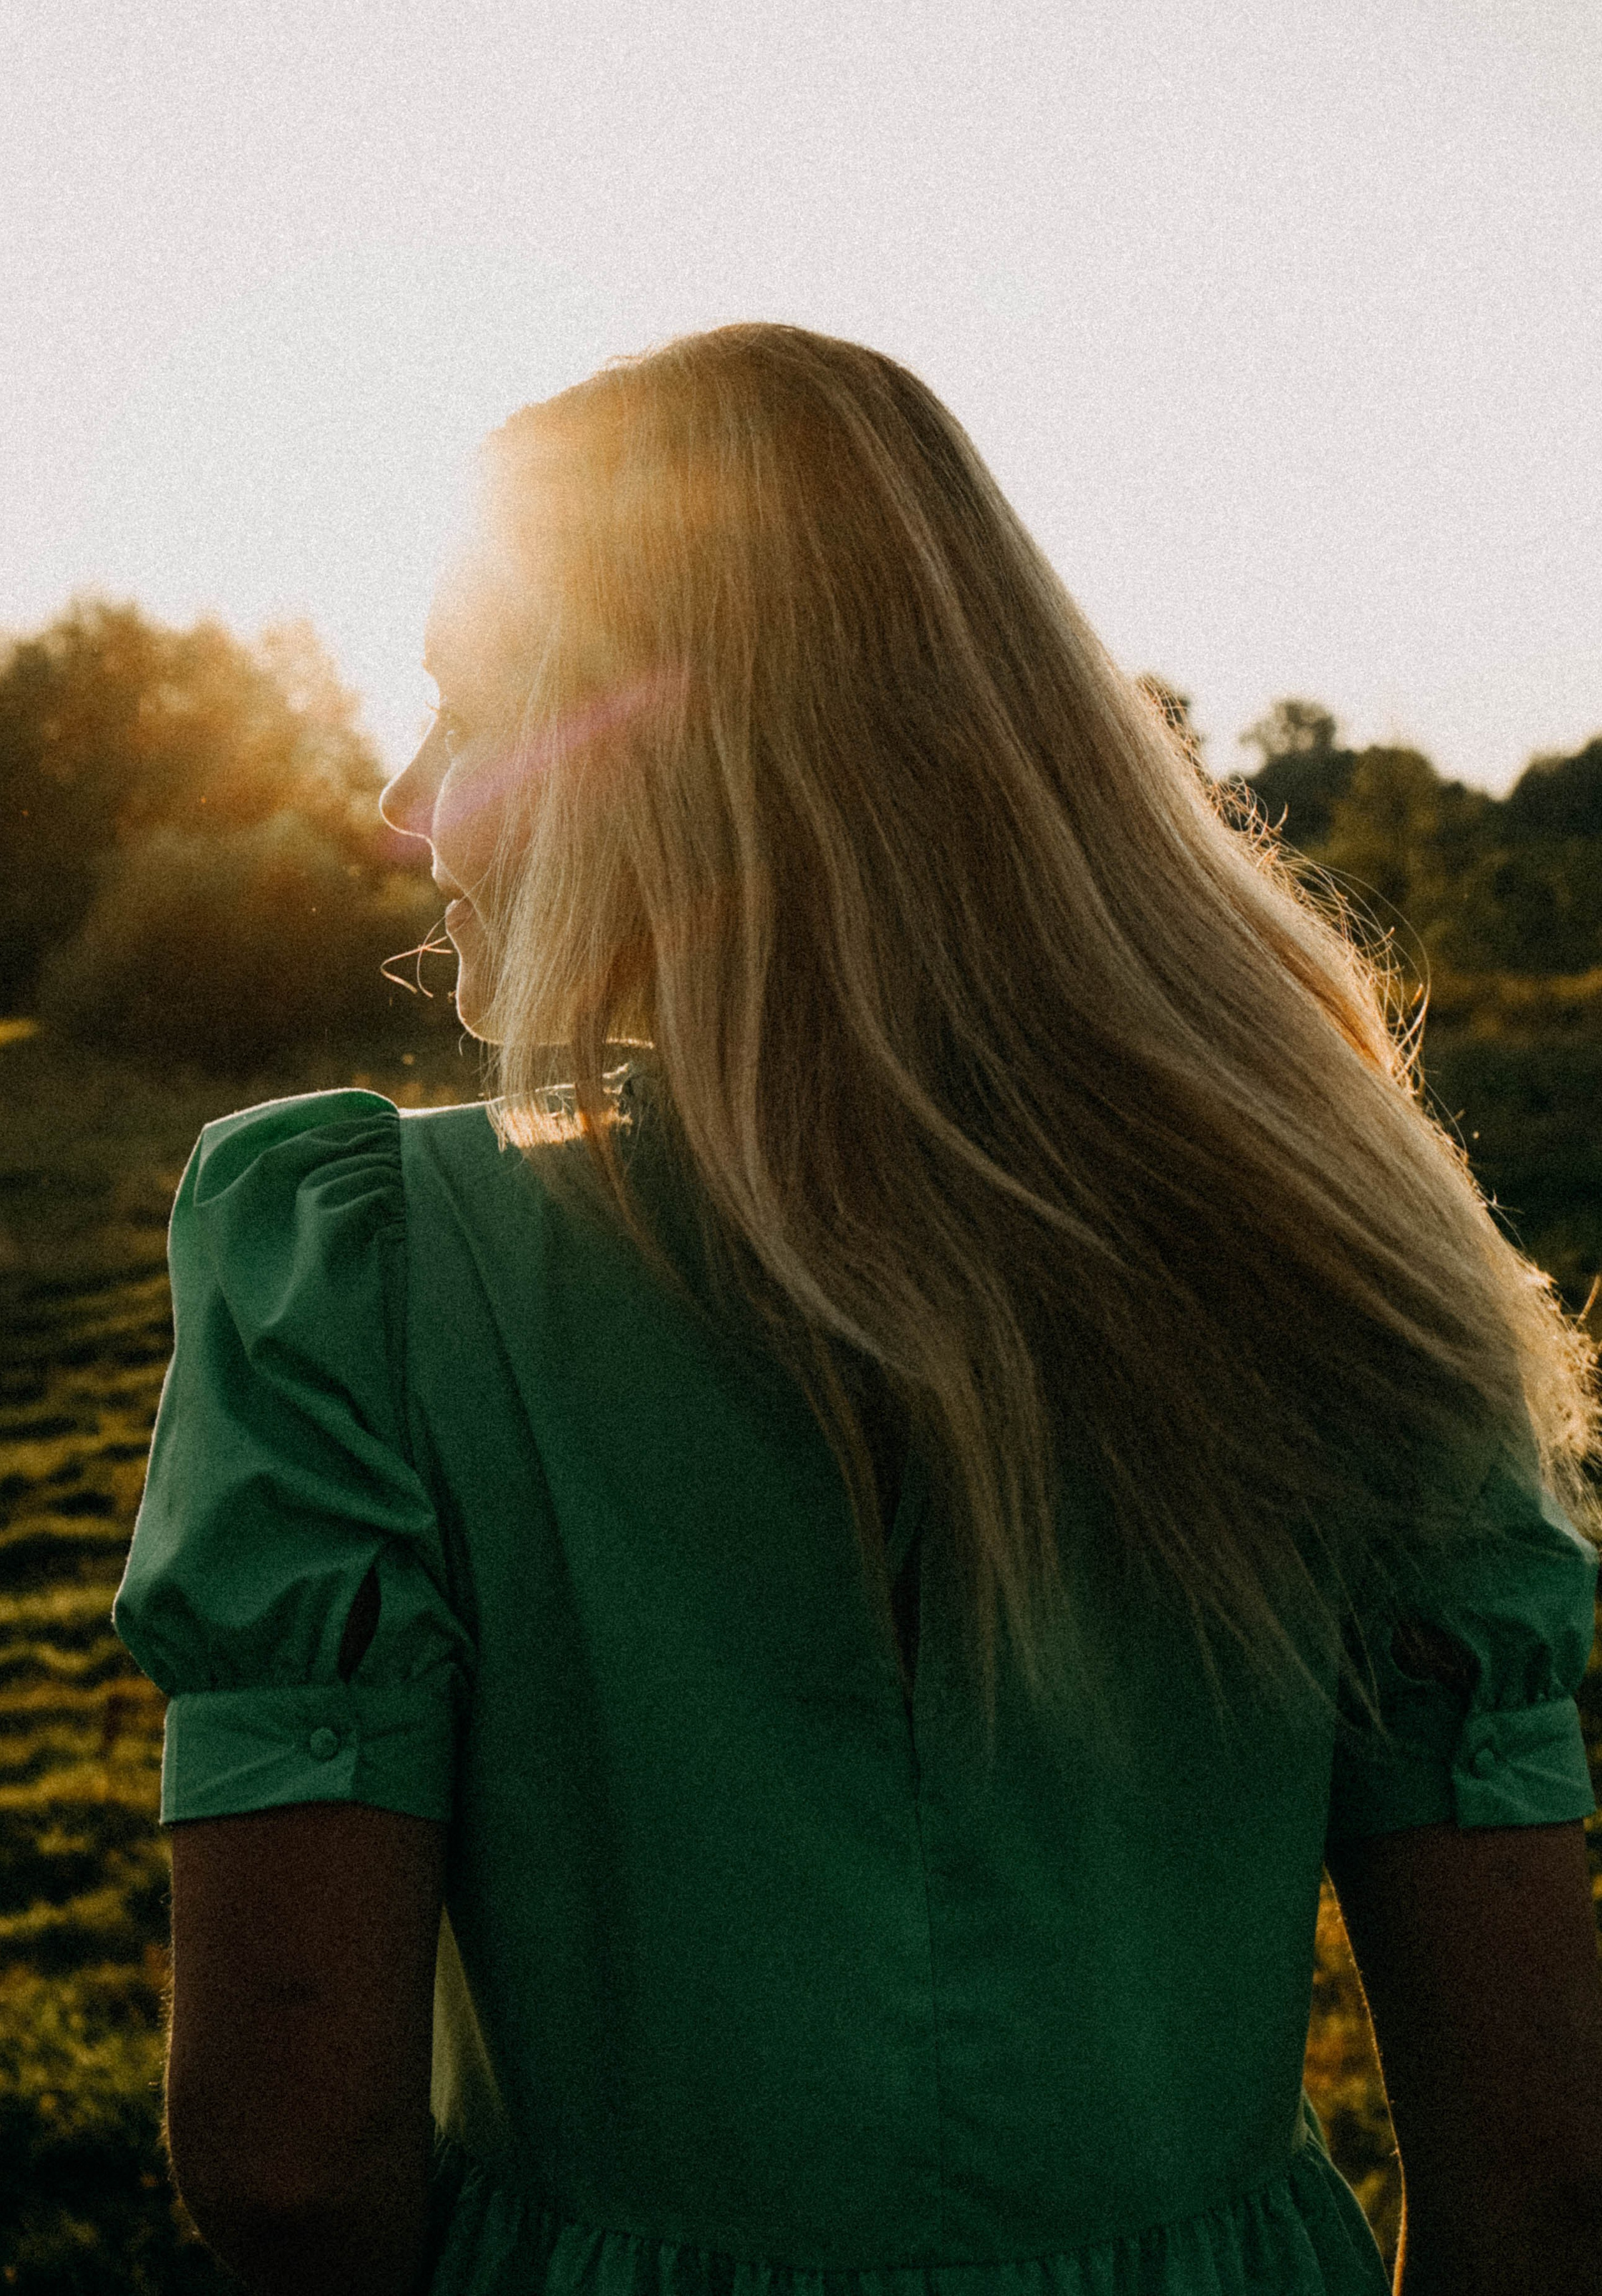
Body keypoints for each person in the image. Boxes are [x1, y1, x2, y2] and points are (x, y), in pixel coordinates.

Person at [113, 323, 1602, 2296]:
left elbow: (294, 2161)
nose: (405, 805)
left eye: (473, 718)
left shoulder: (363, 1278)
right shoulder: (1346, 1265)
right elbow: (1542, 2167)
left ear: (681, 757)